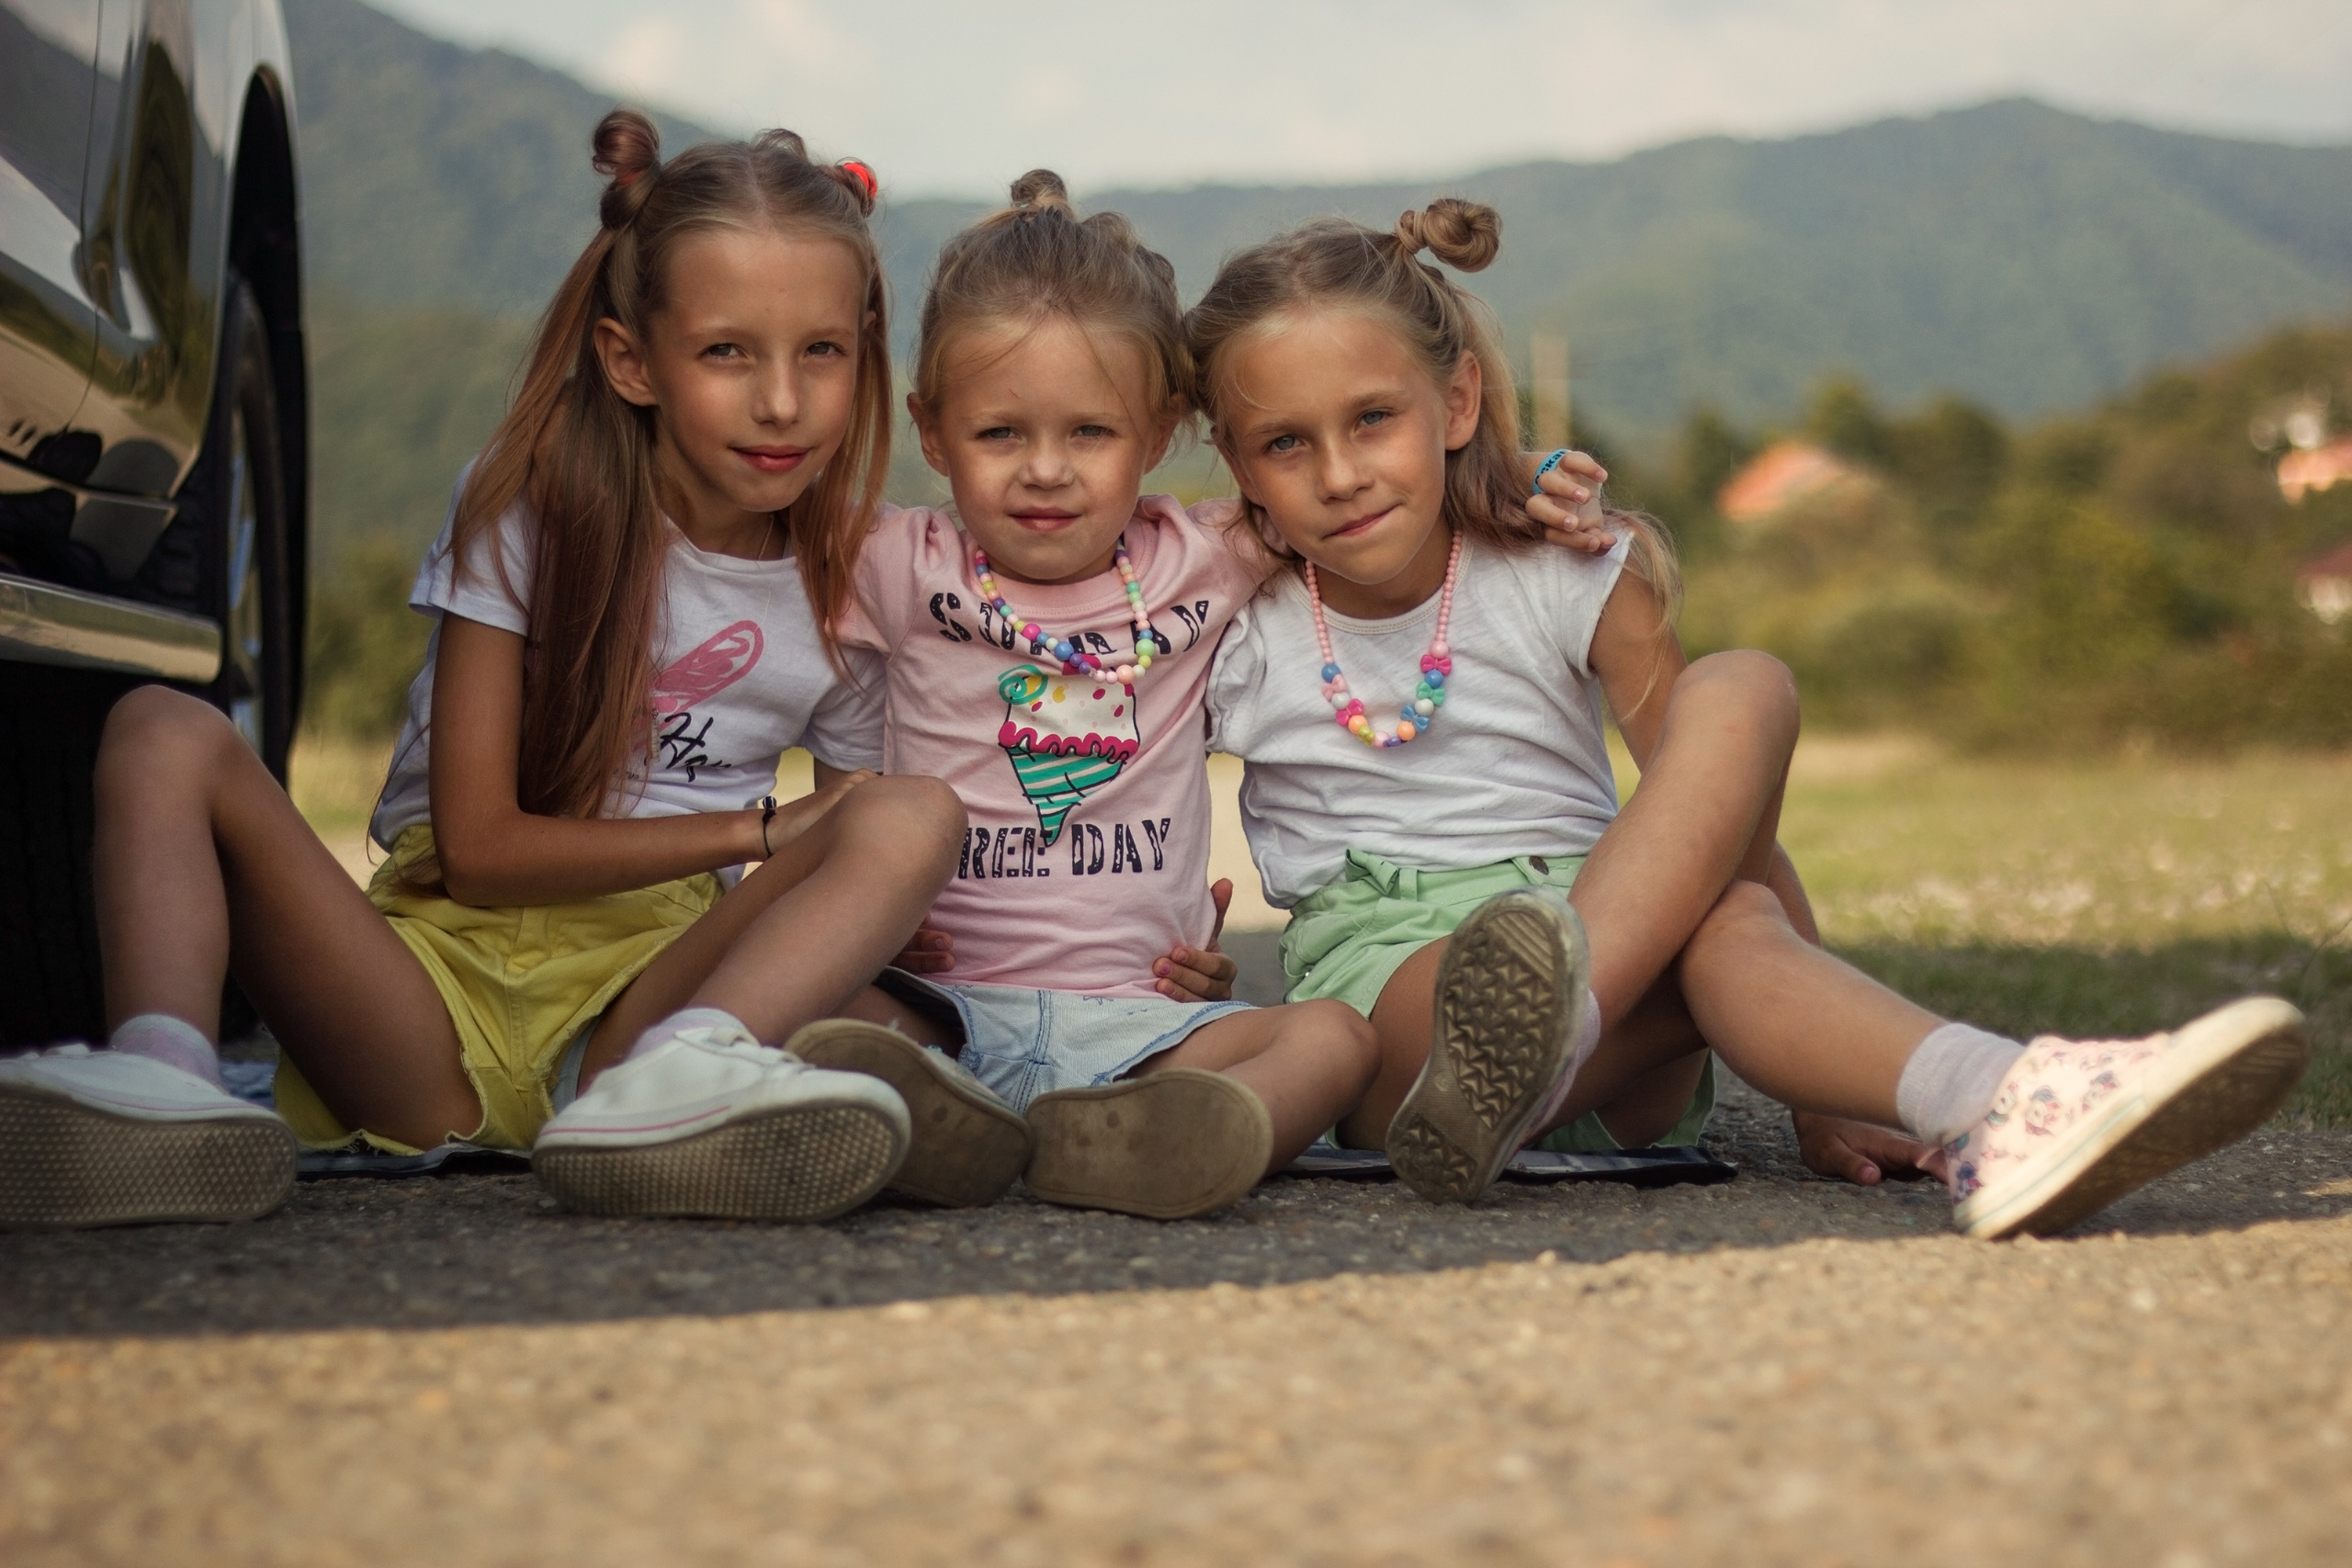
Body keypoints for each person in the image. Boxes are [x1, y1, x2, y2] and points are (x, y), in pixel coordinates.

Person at [1189, 199, 2311, 1237]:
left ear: (1460, 402)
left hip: (1608, 995)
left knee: (1745, 692)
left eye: (1373, 418)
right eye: (1286, 443)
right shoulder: (1238, 625)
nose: (1338, 473)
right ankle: (1963, 1083)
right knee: (1685, 926)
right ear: (1235, 462)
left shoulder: (1566, 571)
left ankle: (2007, 1102)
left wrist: (1823, 1105)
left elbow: (1725, 826)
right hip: (1405, 1031)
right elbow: (1106, 770)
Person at [0, 113, 966, 1230]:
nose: (782, 402)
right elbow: (481, 851)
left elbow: (847, 839)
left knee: (915, 833)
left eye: (821, 352)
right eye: (725, 352)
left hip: (641, 1017)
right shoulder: (531, 503)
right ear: (629, 360)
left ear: (865, 350)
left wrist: (878, 911)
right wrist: (755, 836)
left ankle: (692, 1082)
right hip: (428, 998)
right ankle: (163, 1083)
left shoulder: (853, 575)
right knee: (161, 723)